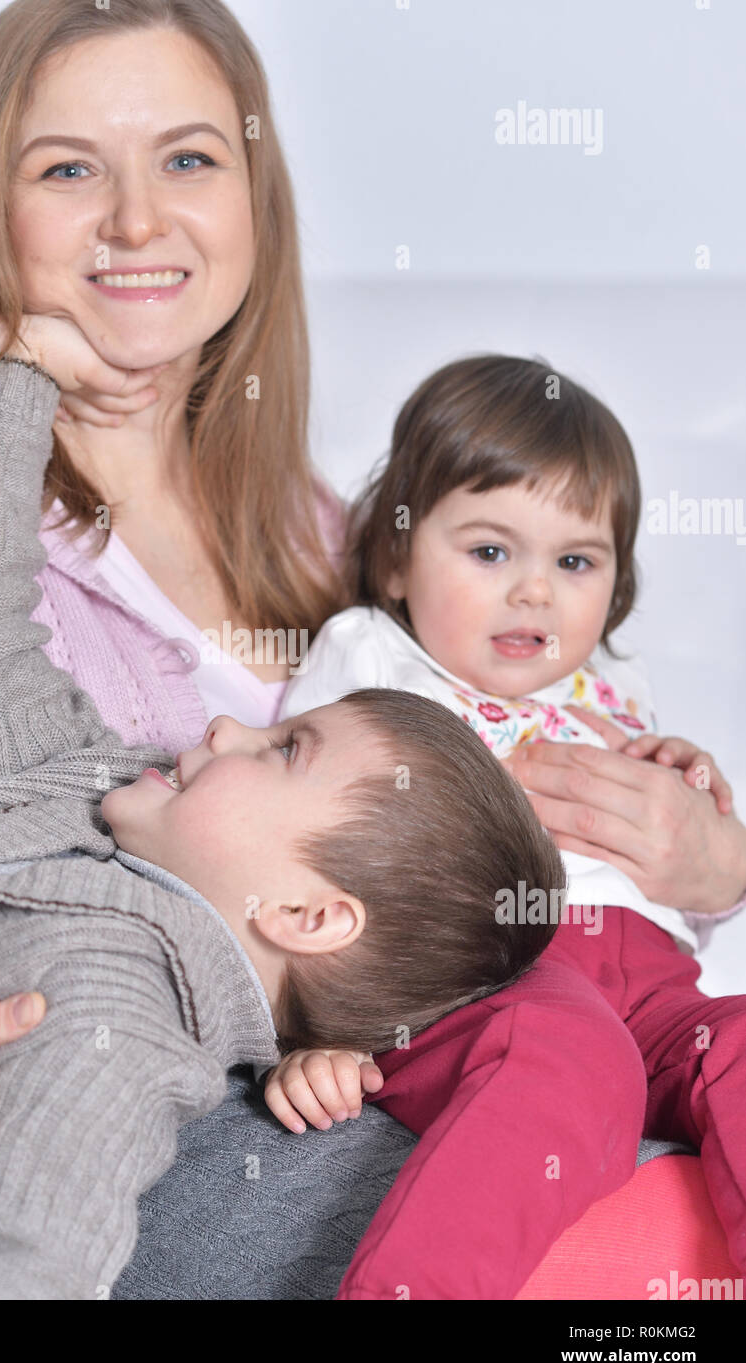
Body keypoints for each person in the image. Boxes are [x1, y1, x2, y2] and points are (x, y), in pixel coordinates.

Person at [0, 349, 564, 1299]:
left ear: (305, 916)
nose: (227, 729)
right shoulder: (86, 786)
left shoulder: (118, 1013)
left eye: (284, 751)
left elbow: (31, 1260)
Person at [271, 354, 746, 1298]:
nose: (534, 591)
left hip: (649, 988)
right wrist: (317, 1029)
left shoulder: (613, 687)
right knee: (559, 1058)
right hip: (480, 979)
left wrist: (682, 786)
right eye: (490, 553)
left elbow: (673, 882)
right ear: (399, 558)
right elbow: (299, 834)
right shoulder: (369, 654)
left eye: (574, 562)